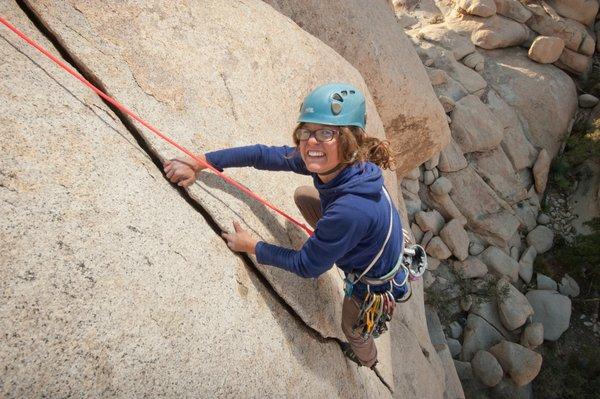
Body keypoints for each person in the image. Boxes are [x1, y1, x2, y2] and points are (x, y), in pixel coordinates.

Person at [163, 83, 408, 369]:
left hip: (371, 282)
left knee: (352, 329)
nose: (311, 143)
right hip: (366, 233)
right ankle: (334, 241)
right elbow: (260, 155)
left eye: (327, 133)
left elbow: (308, 267)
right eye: (306, 131)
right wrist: (199, 162)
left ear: (349, 141)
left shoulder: (349, 209)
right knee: (304, 196)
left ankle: (369, 359)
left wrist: (252, 246)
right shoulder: (337, 162)